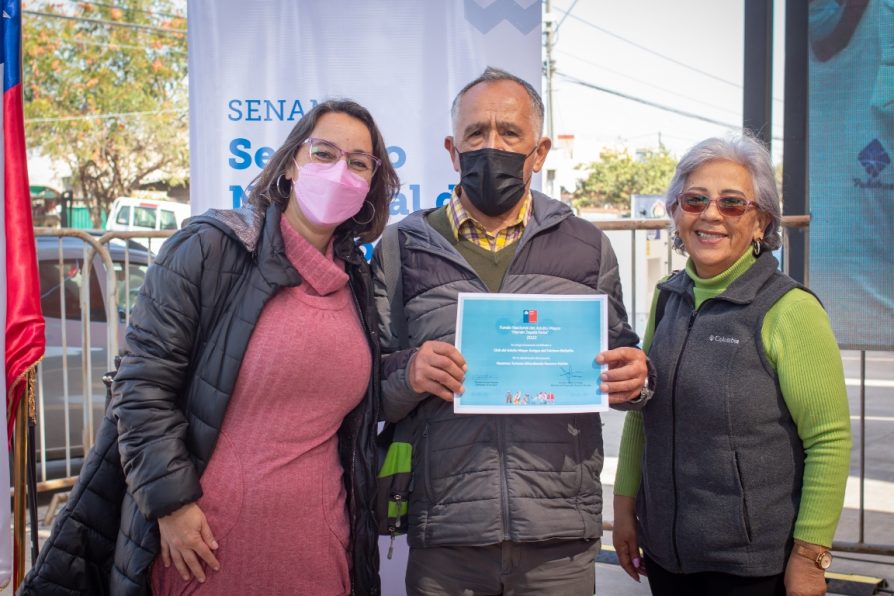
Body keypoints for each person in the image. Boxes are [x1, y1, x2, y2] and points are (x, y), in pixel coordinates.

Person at [20, 99, 400, 596]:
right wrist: (171, 506)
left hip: (320, 553)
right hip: (205, 552)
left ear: (371, 185)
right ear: (290, 164)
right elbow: (141, 389)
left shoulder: (356, 281)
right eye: (324, 153)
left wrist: (412, 373)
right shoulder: (210, 248)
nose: (339, 171)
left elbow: (355, 410)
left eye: (358, 162)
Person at [372, 67, 652, 595]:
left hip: (558, 539)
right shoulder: (401, 246)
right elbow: (366, 386)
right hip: (446, 537)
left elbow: (622, 358)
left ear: (539, 151)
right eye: (476, 134)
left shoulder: (586, 246)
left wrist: (638, 377)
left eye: (509, 133)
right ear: (453, 151)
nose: (491, 146)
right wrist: (408, 373)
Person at [612, 135, 852, 596]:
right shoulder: (668, 297)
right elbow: (645, 415)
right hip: (666, 557)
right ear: (676, 213)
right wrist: (625, 509)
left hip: (753, 569)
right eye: (695, 199)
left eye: (732, 203)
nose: (710, 214)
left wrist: (809, 557)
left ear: (761, 222)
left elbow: (829, 439)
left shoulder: (789, 309)